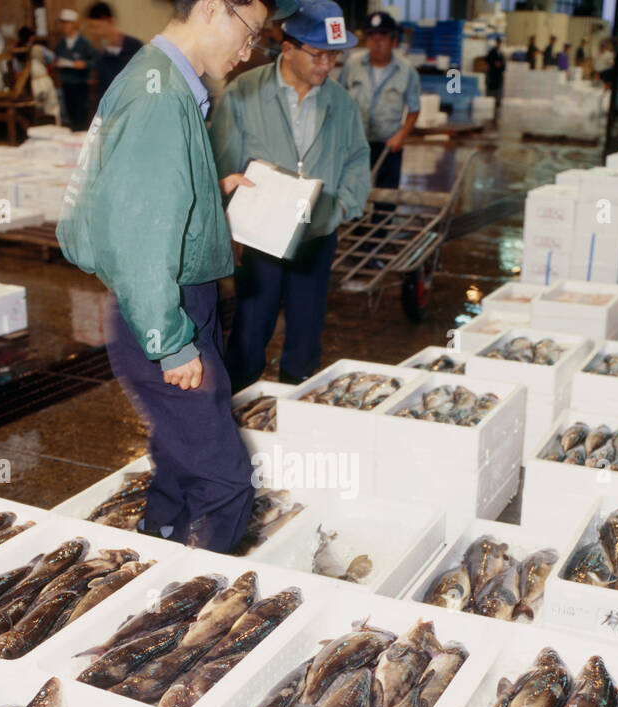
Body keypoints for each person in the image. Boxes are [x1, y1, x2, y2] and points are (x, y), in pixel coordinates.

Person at [56, 0, 298, 554]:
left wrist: (213, 194)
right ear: (213, 8)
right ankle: (199, 618)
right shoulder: (158, 97)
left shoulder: (164, 82)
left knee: (180, 458)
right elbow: (140, 237)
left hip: (175, 300)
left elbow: (147, 200)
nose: (247, 52)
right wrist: (171, 343)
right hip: (165, 309)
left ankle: (156, 549)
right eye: (250, 33)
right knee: (224, 481)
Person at [210, 0, 369, 391]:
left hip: (316, 236)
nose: (326, 65)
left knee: (306, 331)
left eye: (333, 56)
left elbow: (357, 159)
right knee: (250, 328)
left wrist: (344, 205)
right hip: (260, 238)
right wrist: (231, 224)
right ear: (288, 48)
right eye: (317, 54)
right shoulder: (244, 94)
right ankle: (238, 408)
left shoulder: (340, 103)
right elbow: (221, 161)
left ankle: (299, 405)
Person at [339, 11, 419, 192]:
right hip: (355, 144)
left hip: (389, 147)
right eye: (372, 37)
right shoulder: (352, 64)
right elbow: (338, 99)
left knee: (386, 199)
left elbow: (414, 109)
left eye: (382, 37)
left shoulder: (406, 71)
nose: (376, 43)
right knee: (350, 194)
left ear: (394, 41)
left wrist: (401, 135)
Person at [85, 2, 141, 100]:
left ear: (109, 21)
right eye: (91, 27)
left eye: (96, 27)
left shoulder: (134, 47)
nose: (94, 32)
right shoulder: (101, 53)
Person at [53, 8, 96, 130]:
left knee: (81, 117)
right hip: (66, 85)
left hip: (81, 86)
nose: (64, 26)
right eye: (62, 23)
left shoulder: (84, 43)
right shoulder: (61, 43)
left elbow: (95, 60)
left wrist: (84, 64)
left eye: (67, 23)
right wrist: (57, 63)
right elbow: (55, 59)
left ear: (74, 24)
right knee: (70, 117)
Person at [484, 34, 505, 106]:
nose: (499, 44)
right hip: (493, 72)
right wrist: (494, 63)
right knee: (492, 86)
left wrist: (501, 66)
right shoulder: (492, 51)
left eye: (500, 43)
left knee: (497, 86)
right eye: (498, 43)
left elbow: (502, 63)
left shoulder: (501, 53)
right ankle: (491, 100)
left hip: (498, 73)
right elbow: (487, 59)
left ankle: (496, 100)